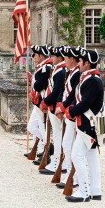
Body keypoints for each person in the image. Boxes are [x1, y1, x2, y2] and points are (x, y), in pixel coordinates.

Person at [65, 49, 104, 202]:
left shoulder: (93, 80)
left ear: (87, 63)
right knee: (92, 157)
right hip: (90, 123)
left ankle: (84, 191)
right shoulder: (90, 78)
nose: (78, 63)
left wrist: (71, 111)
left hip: (88, 124)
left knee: (76, 155)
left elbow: (85, 103)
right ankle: (95, 190)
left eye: (80, 61)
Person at [55, 46, 82, 189]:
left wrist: (65, 107)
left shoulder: (77, 74)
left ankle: (75, 177)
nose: (64, 59)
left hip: (72, 113)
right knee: (67, 144)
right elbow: (64, 91)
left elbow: (74, 96)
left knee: (70, 145)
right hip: (68, 112)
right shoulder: (70, 72)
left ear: (72, 59)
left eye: (66, 57)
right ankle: (71, 175)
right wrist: (60, 105)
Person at [39, 46, 66, 175]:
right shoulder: (58, 70)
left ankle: (57, 161)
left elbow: (56, 92)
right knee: (57, 135)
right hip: (53, 106)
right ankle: (58, 161)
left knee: (57, 135)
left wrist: (45, 102)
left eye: (54, 56)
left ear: (59, 57)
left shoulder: (61, 71)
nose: (51, 58)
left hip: (56, 107)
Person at [26, 45, 52, 165]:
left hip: (42, 101)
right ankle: (46, 146)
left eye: (36, 55)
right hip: (38, 101)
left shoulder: (46, 68)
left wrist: (34, 82)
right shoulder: (42, 67)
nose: (34, 58)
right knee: (32, 127)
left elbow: (39, 85)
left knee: (42, 128)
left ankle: (47, 149)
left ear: (42, 55)